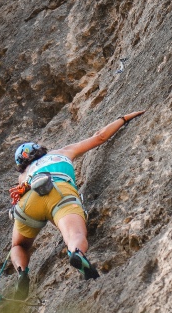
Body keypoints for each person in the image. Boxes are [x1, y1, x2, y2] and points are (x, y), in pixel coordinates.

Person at [7, 110, 145, 299]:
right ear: (40, 150)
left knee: (18, 245)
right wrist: (124, 118)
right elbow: (100, 137)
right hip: (58, 190)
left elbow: (19, 193)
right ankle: (77, 253)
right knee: (75, 234)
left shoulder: (22, 175)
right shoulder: (62, 152)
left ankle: (22, 273)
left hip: (29, 200)